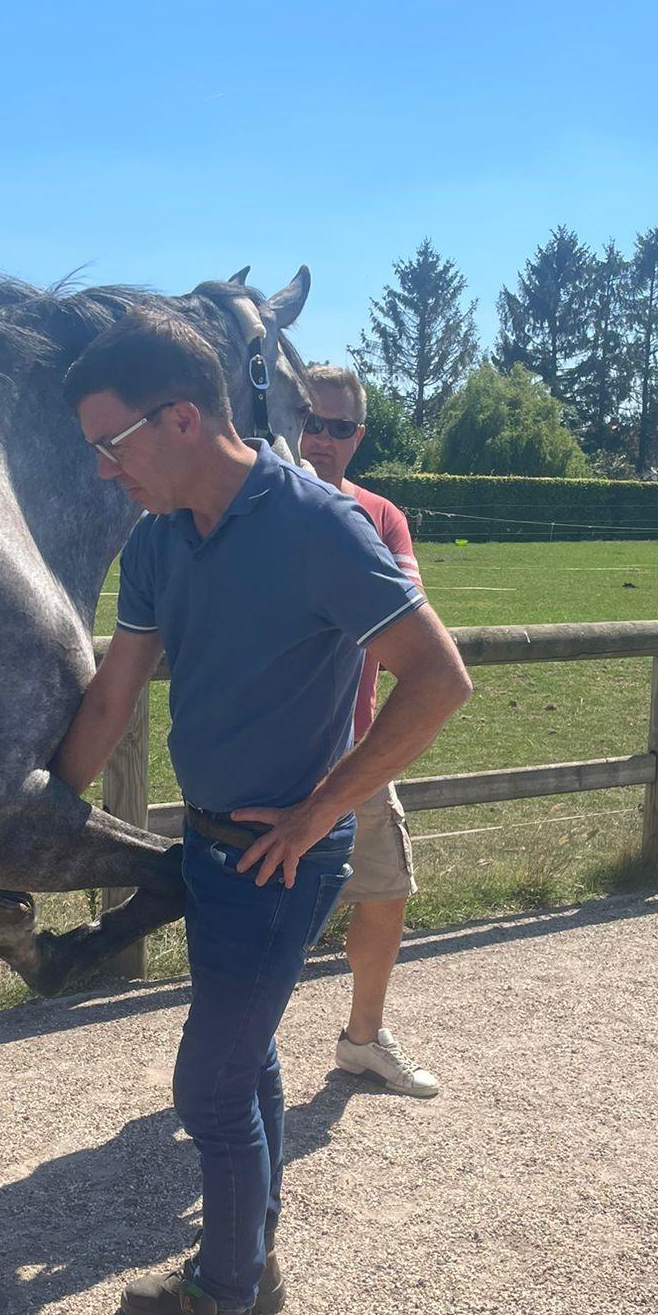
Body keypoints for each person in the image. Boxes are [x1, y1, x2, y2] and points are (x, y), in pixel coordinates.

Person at [0, 311, 471, 1315]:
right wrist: (20, 835)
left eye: (112, 442)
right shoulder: (158, 542)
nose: (103, 468)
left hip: (287, 857)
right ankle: (251, 1261)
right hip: (212, 847)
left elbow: (439, 678)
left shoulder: (319, 524)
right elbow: (110, 699)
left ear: (182, 418)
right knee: (248, 1058)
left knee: (212, 1085)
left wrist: (325, 806)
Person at [299, 368, 439, 1097]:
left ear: (359, 437)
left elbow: (406, 624)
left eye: (339, 427)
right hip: (267, 752)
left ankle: (364, 1037)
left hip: (353, 751)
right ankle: (236, 1056)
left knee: (385, 891)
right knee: (260, 906)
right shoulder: (249, 506)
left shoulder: (381, 515)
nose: (320, 439)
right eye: (309, 421)